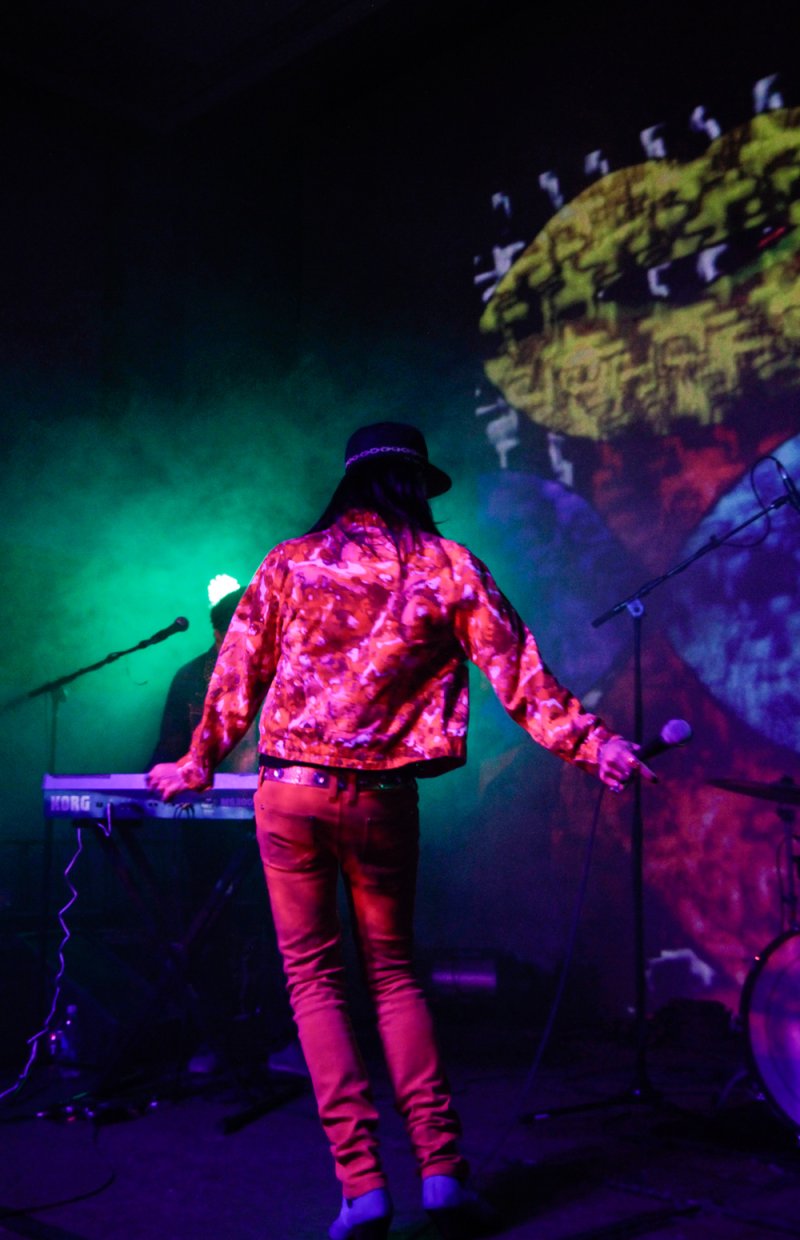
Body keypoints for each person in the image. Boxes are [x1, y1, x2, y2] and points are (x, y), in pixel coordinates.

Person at [148, 422, 653, 1240]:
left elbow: (234, 675)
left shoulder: (287, 561)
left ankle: (362, 1191)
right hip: (382, 804)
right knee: (392, 977)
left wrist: (197, 761)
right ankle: (444, 1176)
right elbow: (522, 675)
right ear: (417, 486)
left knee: (315, 983)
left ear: (349, 485)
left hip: (291, 798)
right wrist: (595, 746)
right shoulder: (448, 566)